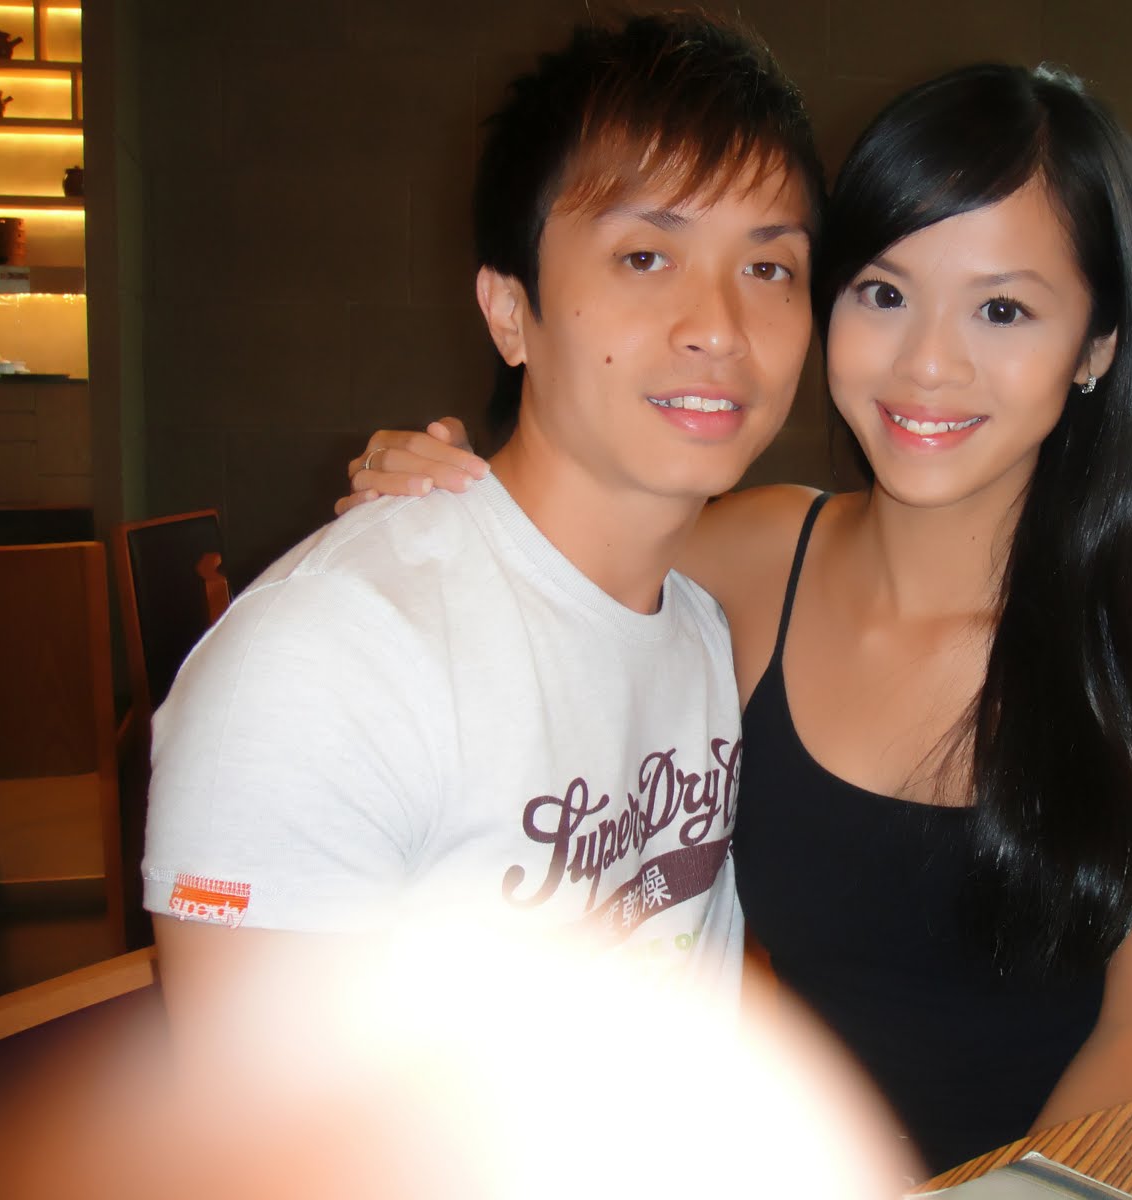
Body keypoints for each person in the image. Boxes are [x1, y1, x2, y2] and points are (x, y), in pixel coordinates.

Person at [345, 60, 1132, 1175]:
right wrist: (436, 489)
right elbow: (546, 550)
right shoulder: (750, 558)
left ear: (1097, 347)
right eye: (883, 292)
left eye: (1003, 309)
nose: (927, 363)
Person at [141, 12, 827, 1059]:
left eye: (769, 268)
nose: (719, 327)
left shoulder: (695, 630)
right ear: (511, 313)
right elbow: (262, 1129)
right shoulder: (327, 662)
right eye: (645, 255)